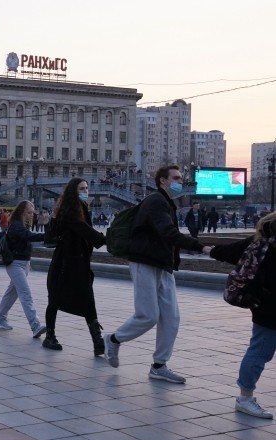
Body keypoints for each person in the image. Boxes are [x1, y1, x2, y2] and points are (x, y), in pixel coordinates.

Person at [103, 165, 210, 383]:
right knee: (148, 315)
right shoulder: (155, 201)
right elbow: (167, 232)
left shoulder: (168, 203)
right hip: (144, 262)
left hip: (163, 264)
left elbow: (166, 235)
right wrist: (200, 246)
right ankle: (113, 339)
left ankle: (159, 366)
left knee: (171, 318)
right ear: (163, 180)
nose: (181, 181)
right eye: (177, 178)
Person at [208, 213, 276, 419]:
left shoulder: (257, 243)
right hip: (270, 311)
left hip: (264, 307)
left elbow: (227, 252)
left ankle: (245, 397)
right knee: (259, 352)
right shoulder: (265, 246)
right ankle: (245, 398)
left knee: (259, 352)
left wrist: (205, 249)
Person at [43, 179, 107, 354]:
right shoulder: (69, 210)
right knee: (55, 299)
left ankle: (98, 342)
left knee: (87, 298)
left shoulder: (82, 207)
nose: (85, 191)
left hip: (79, 260)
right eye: (82, 188)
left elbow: (86, 229)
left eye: (87, 188)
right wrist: (103, 240)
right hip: (65, 261)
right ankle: (50, 335)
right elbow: (83, 229)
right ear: (73, 190)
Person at [0, 200, 46, 338]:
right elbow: (29, 236)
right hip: (15, 264)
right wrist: (48, 236)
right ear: (22, 212)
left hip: (24, 264)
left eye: (32, 213)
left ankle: (0, 317)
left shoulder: (21, 224)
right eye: (29, 212)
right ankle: (35, 325)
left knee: (12, 292)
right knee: (25, 294)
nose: (31, 215)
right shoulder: (16, 225)